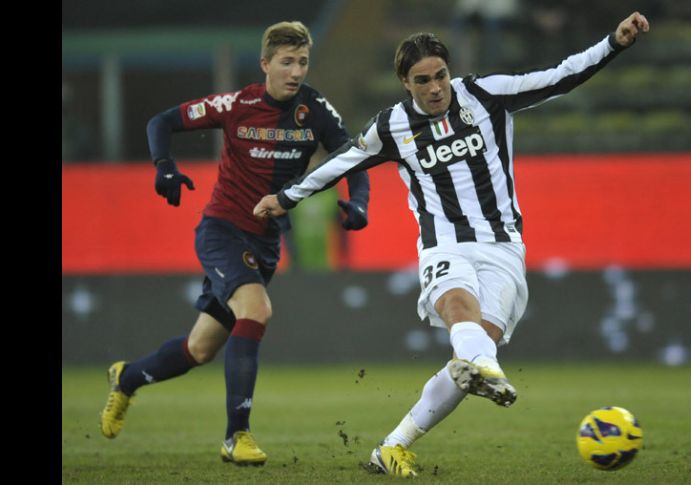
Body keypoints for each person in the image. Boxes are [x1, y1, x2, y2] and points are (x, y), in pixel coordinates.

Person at [254, 12, 649, 477]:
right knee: (461, 316)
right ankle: (490, 369)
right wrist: (285, 197)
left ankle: (393, 445)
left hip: (503, 247)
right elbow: (341, 163)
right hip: (445, 247)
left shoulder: (484, 94)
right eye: (423, 80)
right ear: (405, 83)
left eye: (440, 75)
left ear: (449, 71)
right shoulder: (392, 126)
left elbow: (560, 76)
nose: (436, 87)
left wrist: (613, 43)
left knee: (468, 362)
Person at [98, 20, 370, 466]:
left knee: (199, 349)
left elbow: (354, 156)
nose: (296, 71)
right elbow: (161, 121)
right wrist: (163, 165)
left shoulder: (316, 109)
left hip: (264, 243)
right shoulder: (237, 104)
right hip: (223, 230)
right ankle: (235, 435)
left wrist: (358, 200)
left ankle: (127, 378)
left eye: (302, 61)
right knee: (257, 309)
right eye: (286, 62)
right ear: (265, 64)